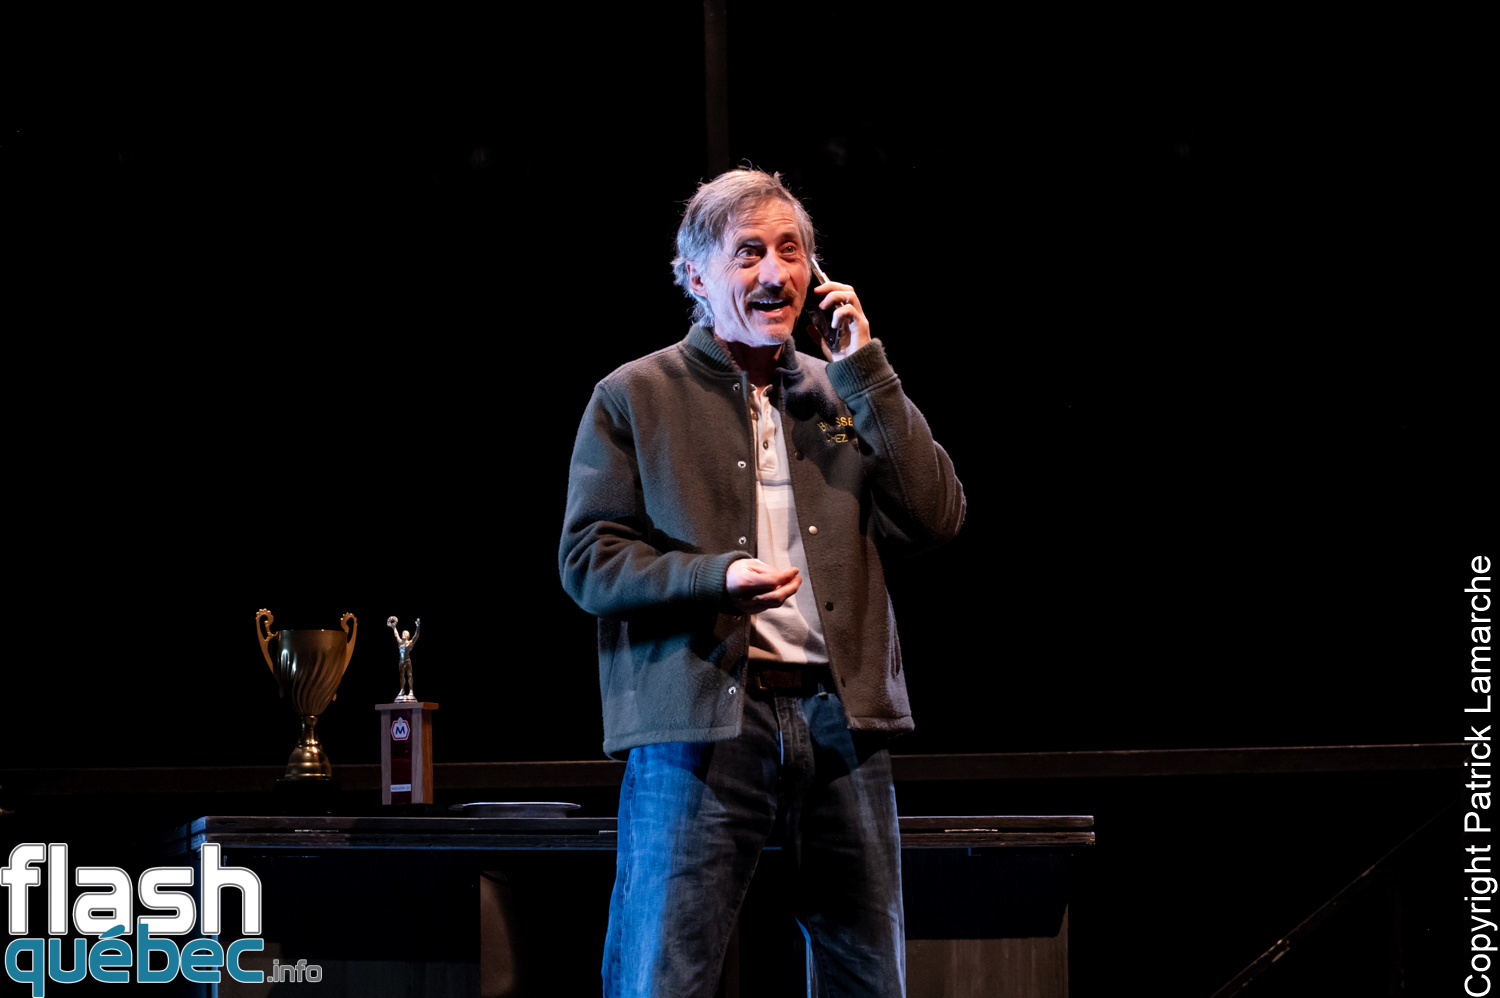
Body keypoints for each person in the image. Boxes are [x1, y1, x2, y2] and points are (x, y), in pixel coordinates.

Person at [559, 167, 965, 997]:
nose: (775, 273)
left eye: (791, 251)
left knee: (868, 979)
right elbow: (589, 559)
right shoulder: (633, 395)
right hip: (703, 723)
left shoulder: (841, 391)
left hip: (841, 722)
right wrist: (713, 577)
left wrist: (866, 369)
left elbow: (936, 516)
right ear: (695, 275)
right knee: (664, 974)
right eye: (749, 253)